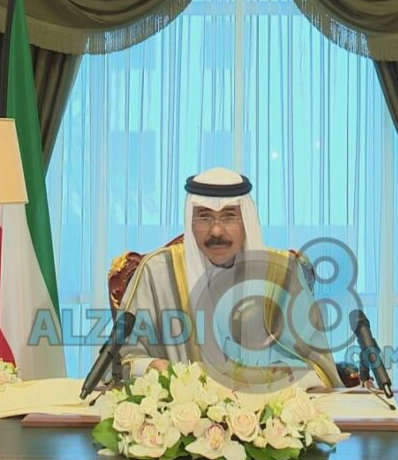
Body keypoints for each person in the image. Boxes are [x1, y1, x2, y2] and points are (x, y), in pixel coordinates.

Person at [117, 167, 343, 390]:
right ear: (190, 221)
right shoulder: (157, 272)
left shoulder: (283, 272)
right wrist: (154, 367)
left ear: (246, 220)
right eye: (204, 217)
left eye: (229, 217)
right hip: (180, 410)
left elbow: (317, 368)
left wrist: (270, 381)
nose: (216, 231)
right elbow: (124, 359)